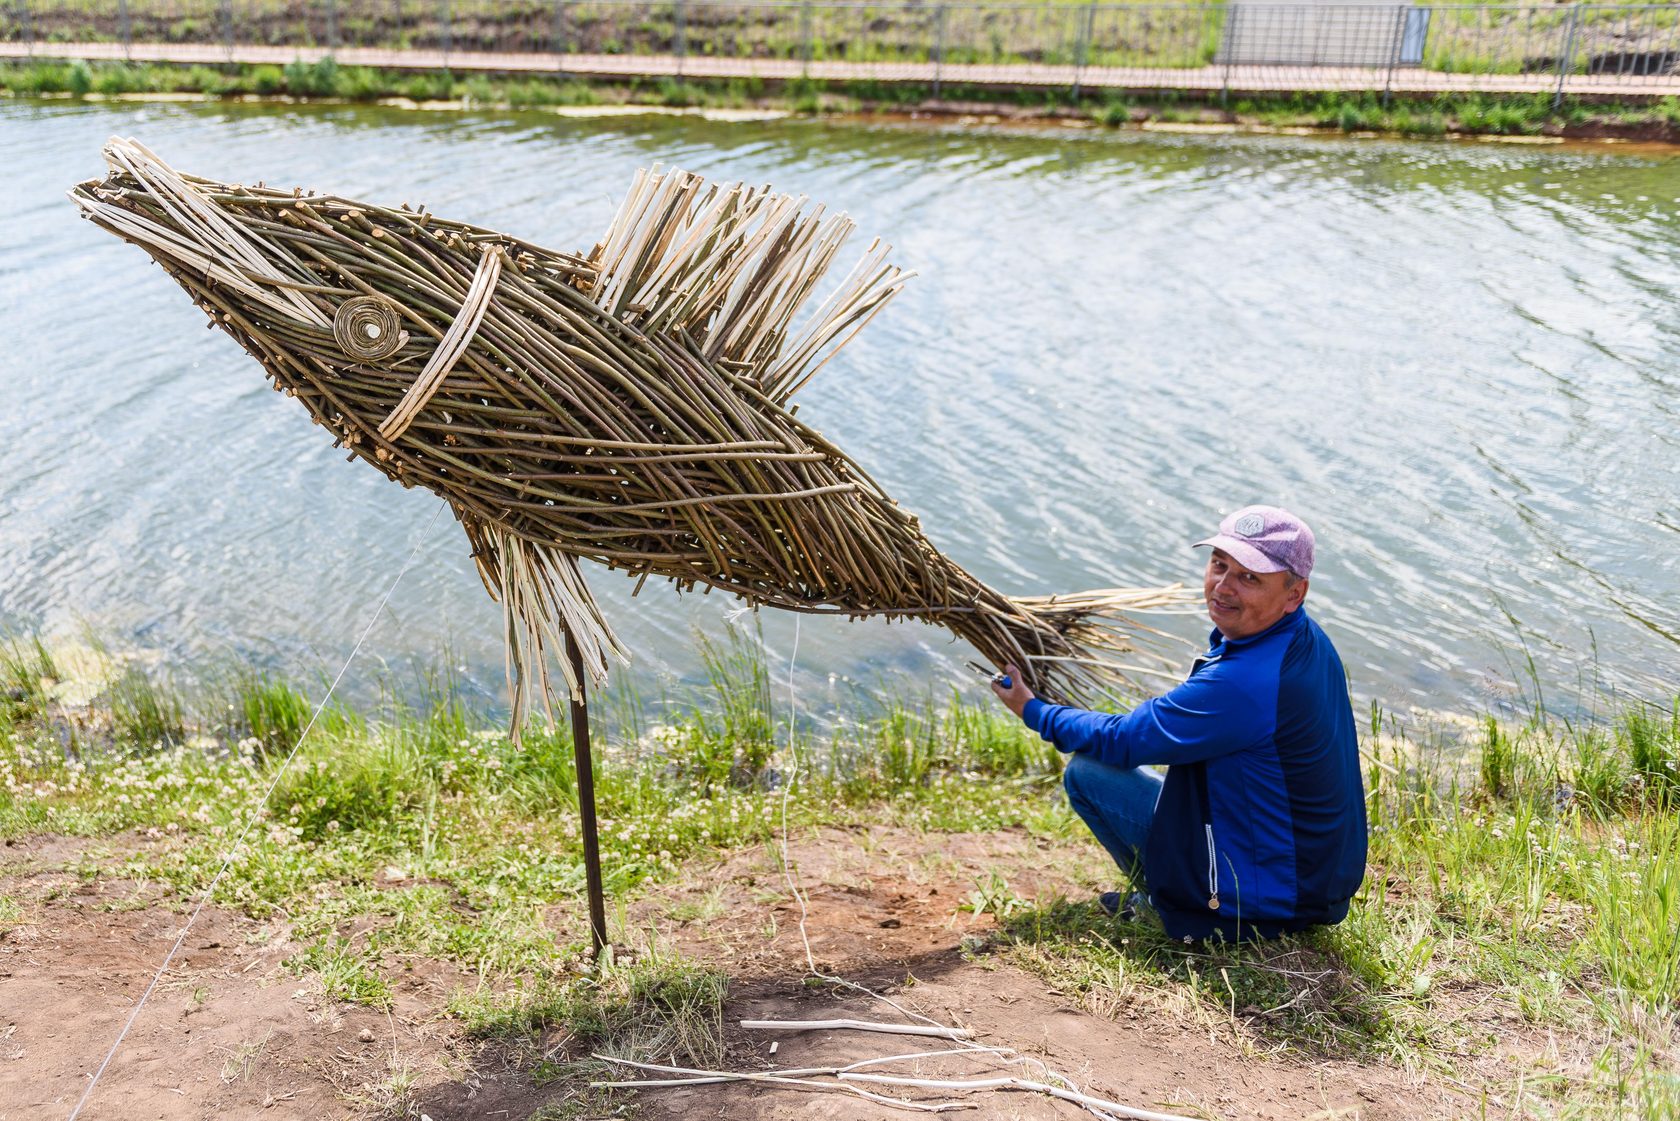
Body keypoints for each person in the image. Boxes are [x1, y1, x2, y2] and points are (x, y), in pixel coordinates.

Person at [991, 505, 1366, 943]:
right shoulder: (1305, 639)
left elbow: (1124, 740)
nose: (1223, 588)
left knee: (1089, 773)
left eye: (1250, 578)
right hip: (1316, 878)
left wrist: (1032, 710)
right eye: (1219, 565)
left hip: (1277, 893)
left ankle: (1174, 906)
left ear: (1293, 594)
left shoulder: (1247, 682)